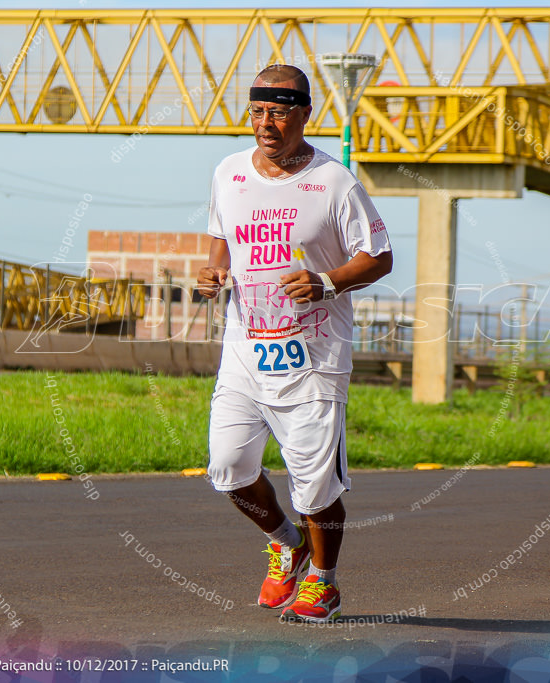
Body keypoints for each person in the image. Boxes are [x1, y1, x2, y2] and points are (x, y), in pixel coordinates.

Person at [196, 63, 392, 623]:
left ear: (306, 114)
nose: (266, 124)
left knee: (315, 485)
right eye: (258, 111)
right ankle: (288, 542)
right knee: (228, 467)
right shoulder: (229, 172)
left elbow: (379, 256)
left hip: (314, 356)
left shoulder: (335, 182)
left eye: (280, 112)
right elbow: (219, 240)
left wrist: (327, 281)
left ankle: (323, 584)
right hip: (244, 346)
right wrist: (213, 273)